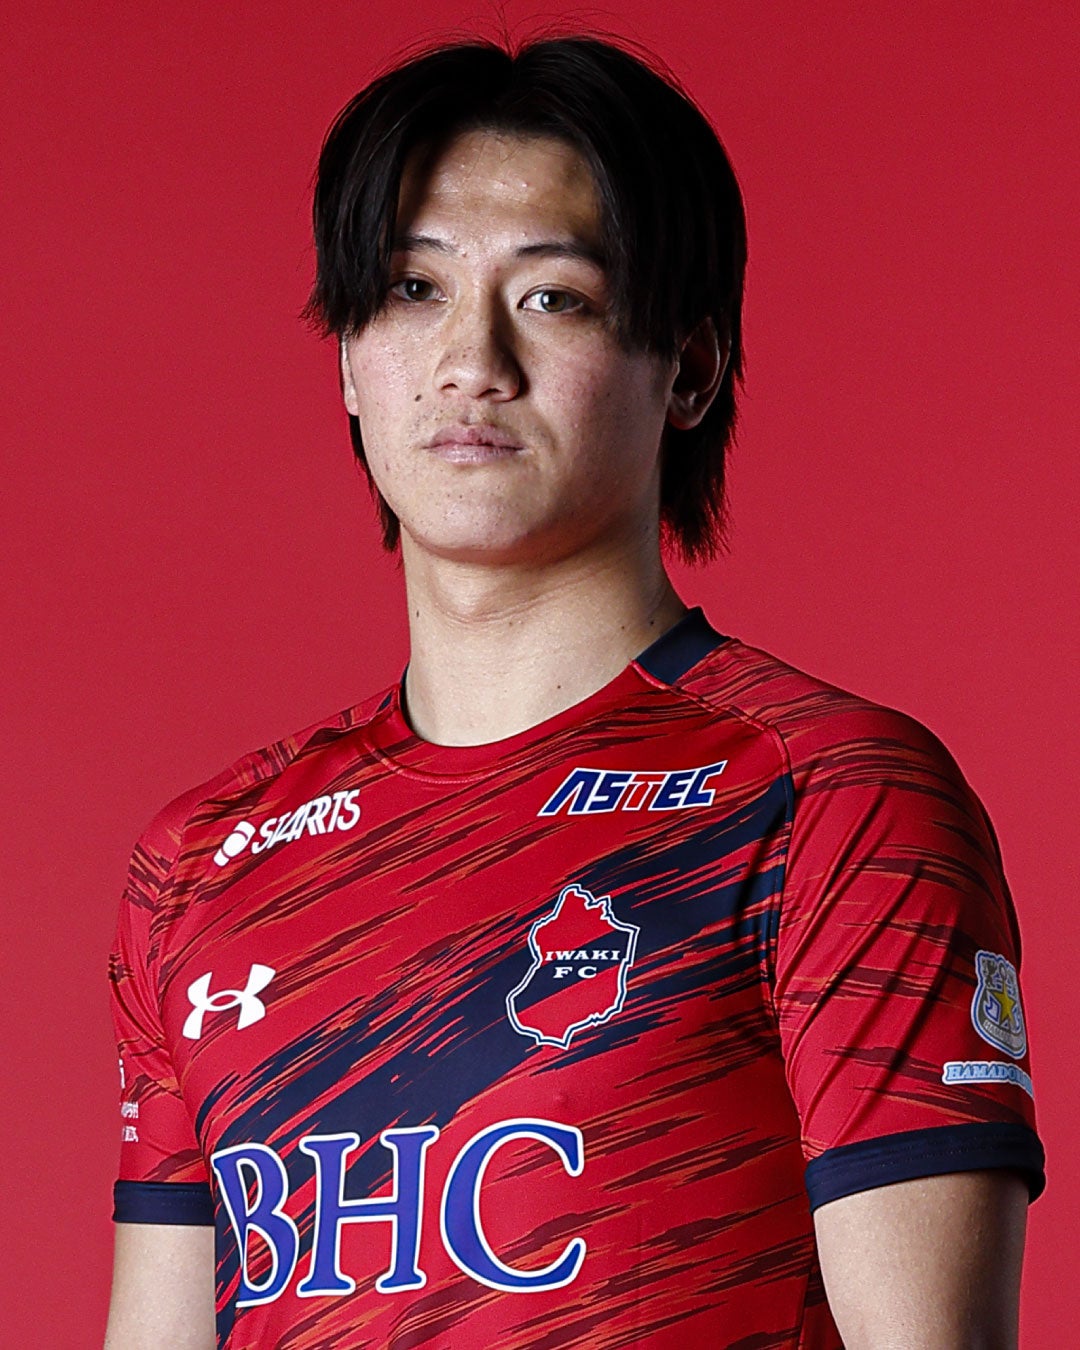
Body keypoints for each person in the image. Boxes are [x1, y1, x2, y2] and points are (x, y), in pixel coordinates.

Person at [103, 34, 1044, 1350]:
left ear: (690, 367)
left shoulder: (828, 798)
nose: (470, 359)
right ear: (349, 360)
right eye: (412, 289)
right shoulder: (200, 863)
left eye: (554, 297)